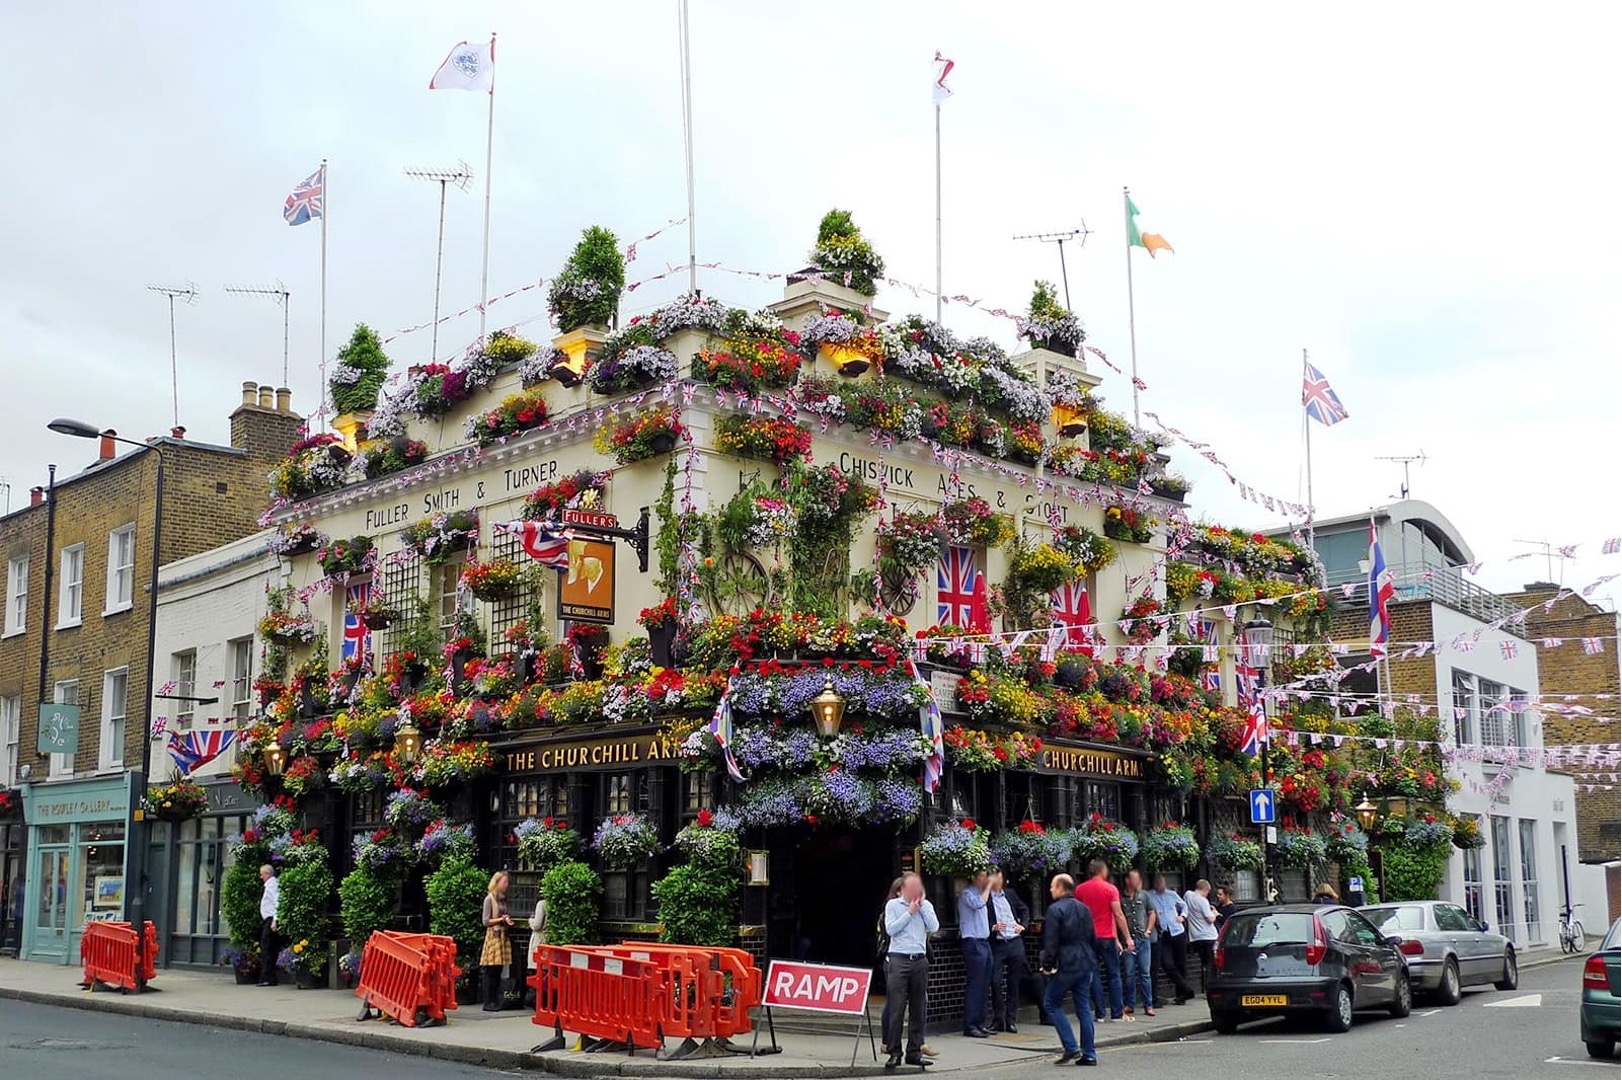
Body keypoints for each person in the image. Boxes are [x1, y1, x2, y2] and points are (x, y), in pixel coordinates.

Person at [1041, 873, 1099, 1067]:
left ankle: (1071, 1046)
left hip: (1068, 964)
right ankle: (1089, 1054)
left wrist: (1048, 966)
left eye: (1052, 886)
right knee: (1083, 1008)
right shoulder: (1084, 908)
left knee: (1051, 1002)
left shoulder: (1054, 910)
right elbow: (1093, 937)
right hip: (1086, 962)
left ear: (1061, 888)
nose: (1050, 889)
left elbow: (1051, 942)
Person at [883, 873, 939, 1070]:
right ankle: (894, 1052)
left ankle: (914, 1052)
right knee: (897, 1008)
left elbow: (934, 926)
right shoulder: (893, 906)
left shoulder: (927, 906)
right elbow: (891, 929)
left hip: (919, 959)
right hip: (899, 958)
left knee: (918, 1007)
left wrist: (921, 908)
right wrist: (909, 912)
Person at [1075, 861, 1132, 1021]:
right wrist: (1126, 937)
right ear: (1102, 870)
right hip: (1106, 937)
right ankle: (1116, 1013)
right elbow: (1118, 914)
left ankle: (1100, 1014)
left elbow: (1078, 914)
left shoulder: (1080, 889)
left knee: (1094, 975)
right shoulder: (1110, 889)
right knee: (1114, 974)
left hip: (1088, 938)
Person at [987, 868, 1029, 1033]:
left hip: (1014, 942)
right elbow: (980, 919)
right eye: (995, 876)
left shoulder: (1010, 894)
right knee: (995, 982)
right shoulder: (985, 898)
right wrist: (993, 927)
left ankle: (1011, 1020)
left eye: (999, 876)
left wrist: (1023, 925)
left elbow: (1023, 909)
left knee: (1014, 983)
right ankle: (998, 1020)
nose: (998, 879)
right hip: (997, 944)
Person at [1146, 874, 1196, 1005]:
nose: (1161, 885)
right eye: (1158, 883)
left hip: (1178, 932)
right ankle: (1186, 989)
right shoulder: (1149, 895)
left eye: (1162, 883)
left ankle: (1182, 995)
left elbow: (1184, 906)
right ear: (1154, 884)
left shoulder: (1172, 894)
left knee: (1181, 964)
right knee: (1167, 964)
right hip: (1163, 934)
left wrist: (1183, 916)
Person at [957, 869, 994, 1038]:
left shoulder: (980, 893)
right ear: (974, 877)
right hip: (973, 942)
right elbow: (979, 904)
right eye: (983, 875)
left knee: (985, 984)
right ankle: (970, 1025)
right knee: (976, 985)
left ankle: (980, 1022)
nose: (987, 878)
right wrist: (988, 888)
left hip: (984, 942)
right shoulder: (967, 894)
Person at [1120, 869, 1156, 1018]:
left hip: (1142, 939)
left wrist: (1148, 931)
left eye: (1138, 879)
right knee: (1128, 974)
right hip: (1128, 939)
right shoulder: (1121, 897)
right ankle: (1130, 1004)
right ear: (1128, 881)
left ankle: (1149, 1004)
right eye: (1134, 879)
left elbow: (1152, 913)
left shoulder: (1144, 895)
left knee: (1145, 973)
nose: (1137, 882)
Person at [480, 871, 515, 1011]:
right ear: (497, 882)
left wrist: (507, 920)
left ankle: (495, 1000)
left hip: (502, 935)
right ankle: (487, 1002)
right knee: (490, 970)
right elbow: (485, 921)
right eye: (504, 882)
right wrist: (501, 919)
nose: (506, 885)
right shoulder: (489, 899)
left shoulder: (502, 899)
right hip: (493, 936)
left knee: (499, 969)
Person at [1182, 879, 1219, 993]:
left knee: (1203, 962)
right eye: (1207, 892)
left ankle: (1204, 987)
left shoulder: (1187, 895)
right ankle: (1210, 988)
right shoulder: (1203, 901)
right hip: (1209, 936)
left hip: (1195, 937)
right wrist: (1215, 913)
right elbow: (1209, 919)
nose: (1207, 894)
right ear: (1205, 889)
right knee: (1211, 963)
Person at [256, 865, 280, 987]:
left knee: (267, 948)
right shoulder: (271, 885)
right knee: (269, 948)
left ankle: (267, 977)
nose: (261, 877)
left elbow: (277, 902)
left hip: (270, 920)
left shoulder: (272, 886)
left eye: (262, 874)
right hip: (269, 920)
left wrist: (275, 920)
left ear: (267, 874)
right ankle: (268, 977)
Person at [525, 890, 548, 1008]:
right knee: (546, 973)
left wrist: (530, 920)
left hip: (539, 940)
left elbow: (537, 925)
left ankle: (537, 1001)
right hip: (549, 940)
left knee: (538, 971)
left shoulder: (542, 904)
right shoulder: (554, 904)